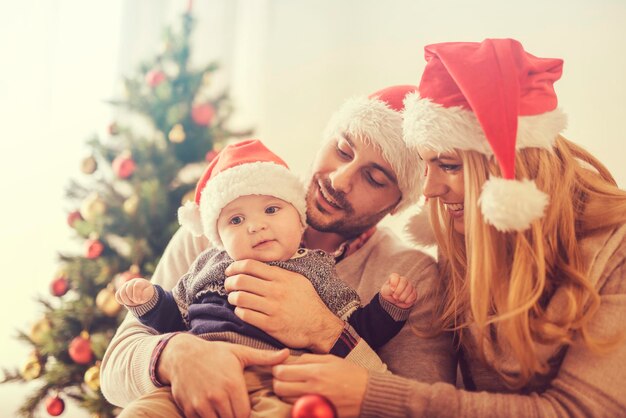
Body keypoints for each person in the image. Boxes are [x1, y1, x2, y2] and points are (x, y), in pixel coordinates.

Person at [270, 38, 626, 417]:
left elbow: (587, 410)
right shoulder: (467, 240)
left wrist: (338, 345)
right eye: (342, 149)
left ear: (512, 167)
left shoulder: (613, 251)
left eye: (451, 166)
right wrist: (196, 355)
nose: (430, 190)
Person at [100, 85, 457, 417]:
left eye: (374, 179)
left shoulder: (409, 276)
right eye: (342, 150)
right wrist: (177, 355)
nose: (340, 179)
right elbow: (115, 371)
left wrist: (326, 330)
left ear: (398, 202)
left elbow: (416, 408)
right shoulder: (217, 226)